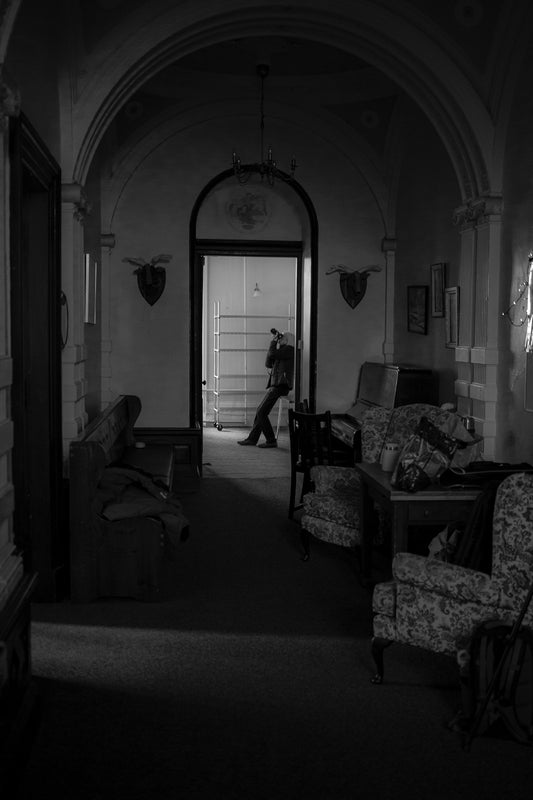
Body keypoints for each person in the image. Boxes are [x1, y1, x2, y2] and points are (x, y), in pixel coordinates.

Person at [238, 329, 295, 448]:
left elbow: (272, 354)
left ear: (288, 339)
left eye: (283, 337)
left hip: (281, 386)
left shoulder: (289, 350)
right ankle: (252, 439)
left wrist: (273, 342)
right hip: (277, 386)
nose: (281, 338)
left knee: (261, 411)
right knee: (261, 411)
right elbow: (268, 363)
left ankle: (270, 440)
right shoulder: (281, 351)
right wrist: (275, 344)